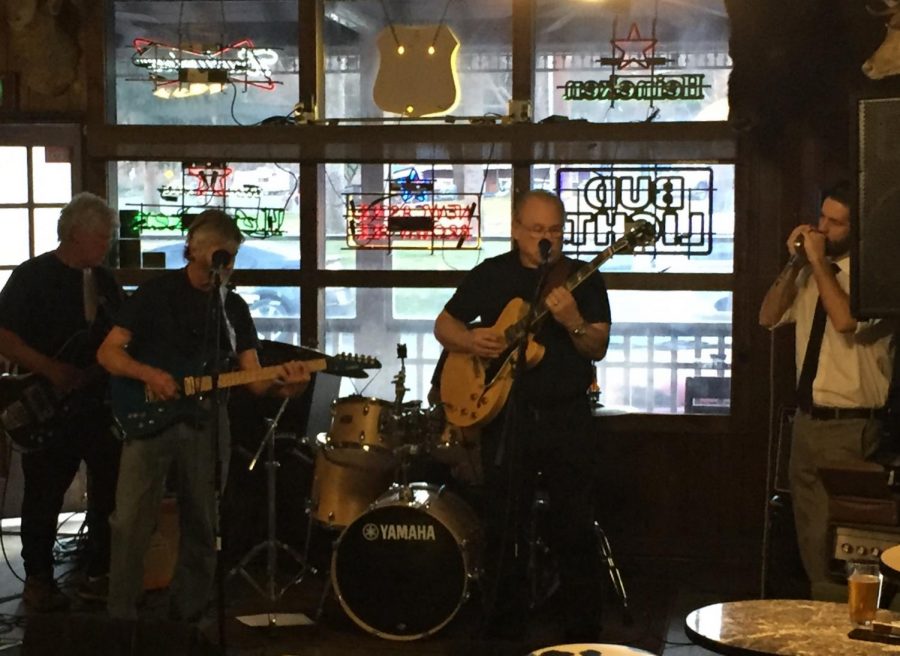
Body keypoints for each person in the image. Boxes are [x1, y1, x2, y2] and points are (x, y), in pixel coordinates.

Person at [97, 209, 310, 621]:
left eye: (229, 257)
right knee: (129, 523)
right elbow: (108, 352)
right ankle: (120, 618)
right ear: (193, 249)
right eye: (217, 255)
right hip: (148, 420)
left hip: (206, 423)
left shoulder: (233, 309)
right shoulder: (154, 295)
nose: (223, 265)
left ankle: (187, 618)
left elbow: (253, 381)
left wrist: (286, 385)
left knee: (203, 522)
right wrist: (150, 374)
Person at [434, 189, 611, 641]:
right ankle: (501, 627)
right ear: (516, 231)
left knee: (573, 523)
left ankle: (580, 630)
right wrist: (472, 342)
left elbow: (598, 346)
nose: (546, 239)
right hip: (508, 416)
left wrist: (572, 320)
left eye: (554, 230)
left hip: (565, 416)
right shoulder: (491, 274)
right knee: (502, 520)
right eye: (536, 230)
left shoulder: (583, 279)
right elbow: (443, 325)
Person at [759, 181, 895, 600]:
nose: (823, 228)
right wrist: (794, 265)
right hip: (807, 422)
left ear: (857, 229)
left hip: (851, 427)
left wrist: (818, 264)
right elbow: (767, 317)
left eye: (835, 223)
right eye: (822, 217)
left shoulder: (878, 278)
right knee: (812, 545)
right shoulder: (809, 273)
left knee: (849, 548)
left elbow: (844, 321)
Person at [0, 192, 123, 611]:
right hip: (46, 402)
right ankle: (38, 577)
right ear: (74, 235)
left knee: (110, 488)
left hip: (97, 403)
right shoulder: (31, 276)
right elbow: (4, 335)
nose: (106, 245)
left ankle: (98, 571)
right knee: (44, 494)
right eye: (101, 238)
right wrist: (51, 369)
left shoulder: (105, 282)